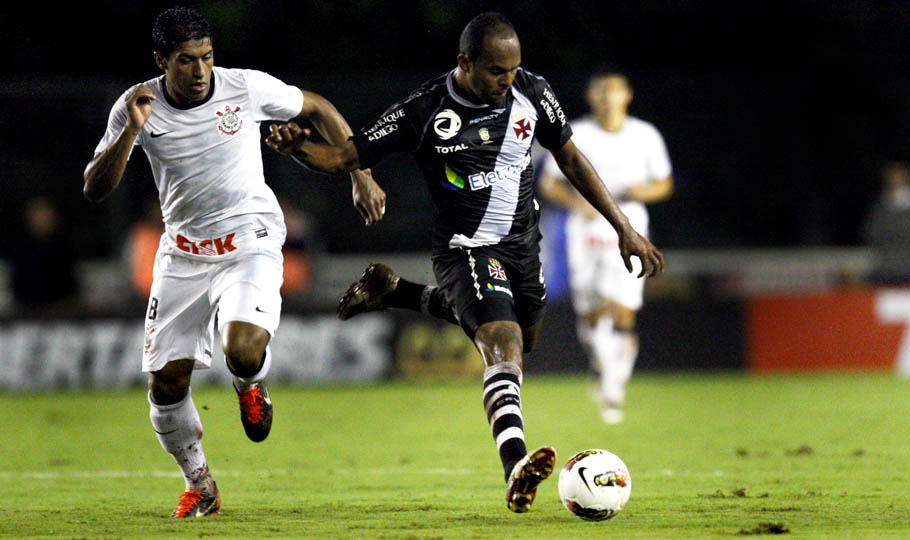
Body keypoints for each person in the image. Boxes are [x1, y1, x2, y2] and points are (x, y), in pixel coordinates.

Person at [266, 12, 663, 513]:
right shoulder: (425, 109)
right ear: (465, 62)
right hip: (465, 246)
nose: (507, 80)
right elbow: (346, 156)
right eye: (497, 71)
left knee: (524, 339)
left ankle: (398, 292)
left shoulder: (533, 91)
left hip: (524, 243)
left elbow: (570, 158)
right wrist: (300, 147)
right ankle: (515, 465)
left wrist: (624, 227)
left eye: (513, 69)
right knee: (504, 344)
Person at [83, 7, 385, 518]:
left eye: (206, 56)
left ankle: (250, 384)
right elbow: (95, 187)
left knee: (242, 350)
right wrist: (131, 131)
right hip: (183, 253)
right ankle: (200, 485)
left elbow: (318, 107)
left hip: (250, 239)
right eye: (186, 60)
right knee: (165, 384)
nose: (200, 70)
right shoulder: (135, 105)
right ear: (161, 61)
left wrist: (361, 174)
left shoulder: (244, 87)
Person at [538, 70, 673, 424]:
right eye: (600, 91)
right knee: (591, 313)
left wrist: (642, 191)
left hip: (629, 224)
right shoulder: (577, 134)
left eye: (613, 90)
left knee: (622, 309)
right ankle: (601, 365)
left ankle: (614, 390)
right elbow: (549, 183)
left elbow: (664, 183)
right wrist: (575, 202)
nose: (607, 98)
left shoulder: (645, 135)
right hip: (586, 227)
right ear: (590, 97)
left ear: (627, 94)